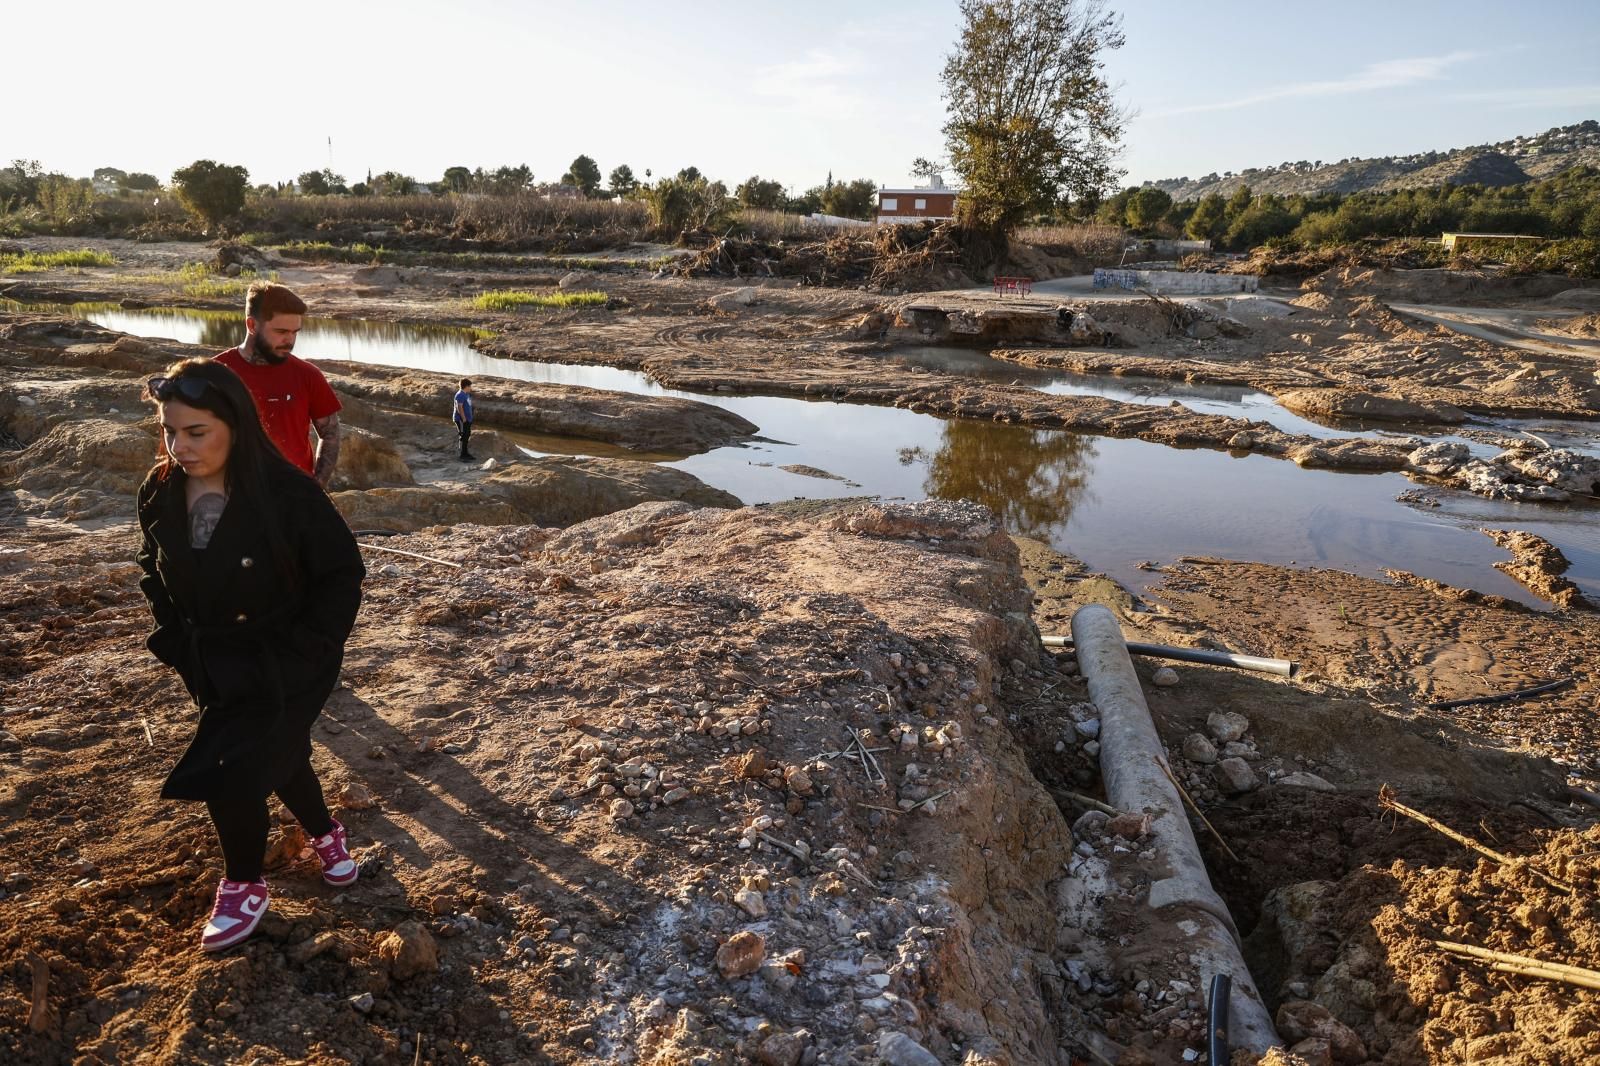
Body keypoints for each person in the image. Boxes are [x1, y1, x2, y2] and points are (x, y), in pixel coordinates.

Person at [136, 358, 366, 952]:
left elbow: (341, 576)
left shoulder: (287, 492)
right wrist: (174, 638)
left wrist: (306, 651)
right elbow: (152, 568)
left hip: (288, 656)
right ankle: (325, 833)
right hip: (210, 656)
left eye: (196, 432)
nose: (179, 446)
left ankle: (244, 883)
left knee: (229, 770)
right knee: (280, 751)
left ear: (235, 424)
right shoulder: (160, 489)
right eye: (169, 431)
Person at [214, 282, 343, 488]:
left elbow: (331, 434)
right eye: (281, 331)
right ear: (252, 325)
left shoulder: (308, 375)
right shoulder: (216, 372)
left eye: (295, 332)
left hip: (292, 498)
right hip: (233, 495)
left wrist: (316, 486)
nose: (290, 340)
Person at [453, 377, 475, 461]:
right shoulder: (460, 395)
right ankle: (462, 455)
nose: (471, 388)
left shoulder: (466, 394)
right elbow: (459, 407)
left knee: (467, 435)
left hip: (467, 419)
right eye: (470, 386)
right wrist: (464, 419)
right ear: (466, 386)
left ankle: (465, 453)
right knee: (463, 436)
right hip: (461, 419)